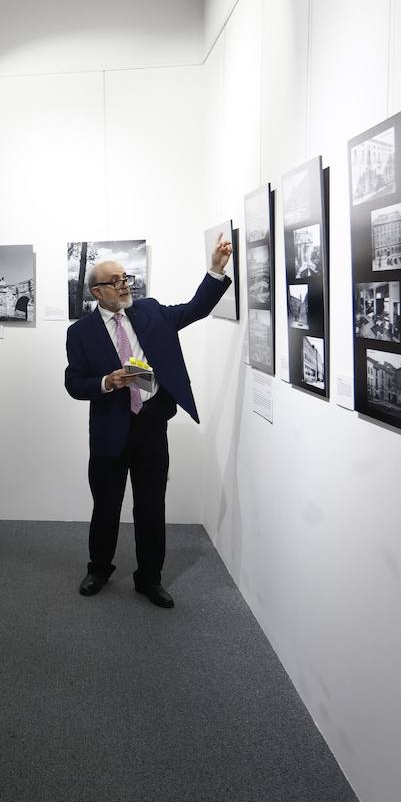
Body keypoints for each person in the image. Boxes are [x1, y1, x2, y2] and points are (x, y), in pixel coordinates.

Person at [65, 236, 232, 609]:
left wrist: (216, 270)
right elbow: (74, 383)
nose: (126, 285)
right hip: (109, 430)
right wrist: (106, 382)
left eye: (126, 278)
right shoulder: (80, 333)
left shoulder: (151, 312)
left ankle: (150, 578)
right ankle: (99, 568)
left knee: (151, 507)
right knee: (106, 506)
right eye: (117, 281)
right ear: (97, 291)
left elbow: (195, 309)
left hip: (151, 427)